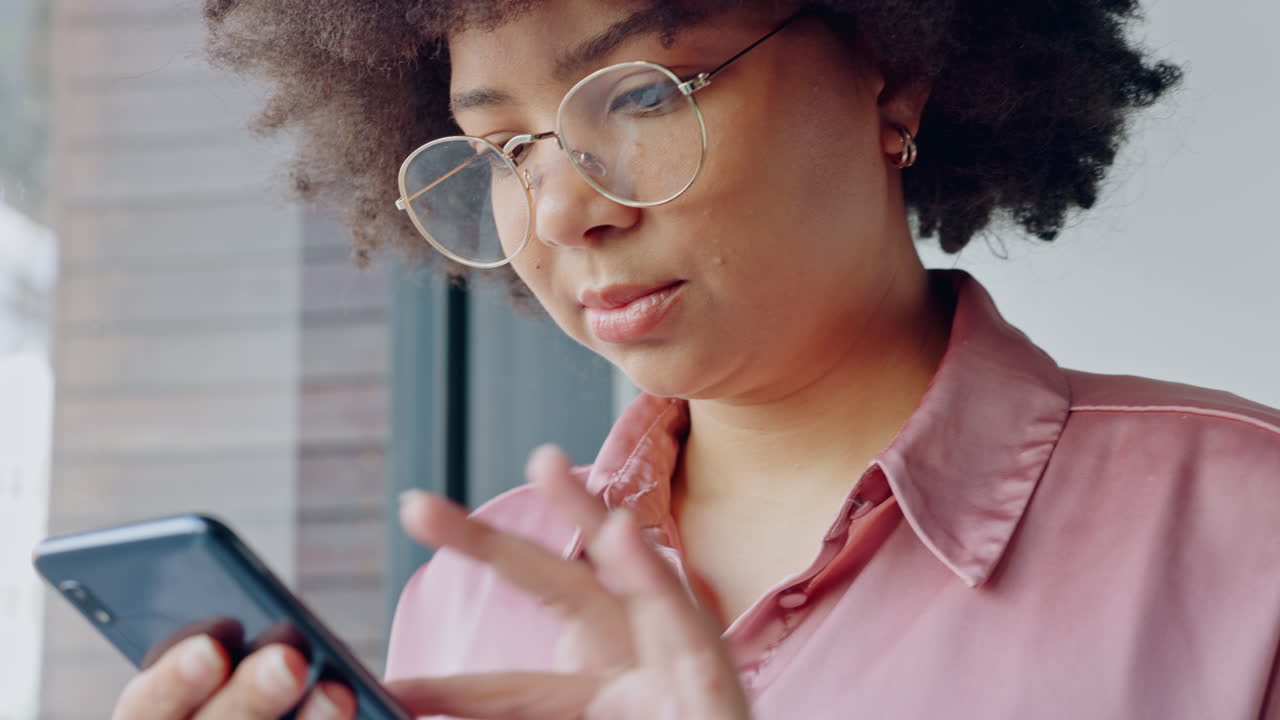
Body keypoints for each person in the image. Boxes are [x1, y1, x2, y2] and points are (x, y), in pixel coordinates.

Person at [111, 1, 1280, 719]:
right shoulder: (470, 599)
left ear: (891, 70)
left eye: (637, 93)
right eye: (500, 147)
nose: (563, 208)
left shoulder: (1245, 533)